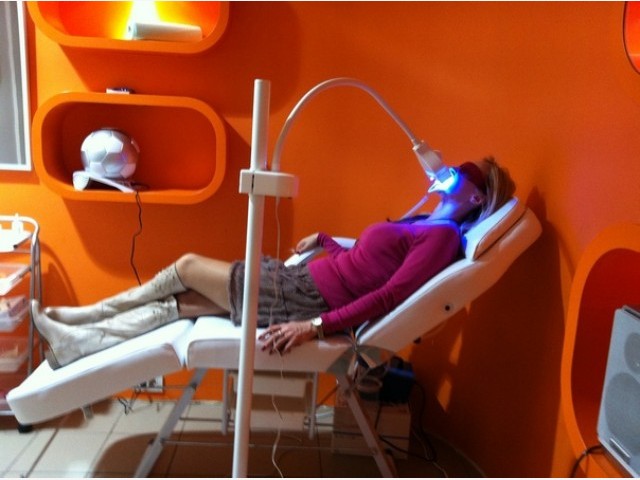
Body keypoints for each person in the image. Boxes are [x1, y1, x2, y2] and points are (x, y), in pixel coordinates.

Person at [32, 157, 515, 369]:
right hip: (300, 279)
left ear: (475, 197)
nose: (443, 176)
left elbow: (389, 296)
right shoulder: (426, 223)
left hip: (304, 300)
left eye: (457, 176)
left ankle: (81, 316)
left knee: (186, 267)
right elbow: (363, 265)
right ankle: (76, 342)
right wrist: (324, 239)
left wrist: (315, 326)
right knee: (185, 304)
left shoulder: (443, 238)